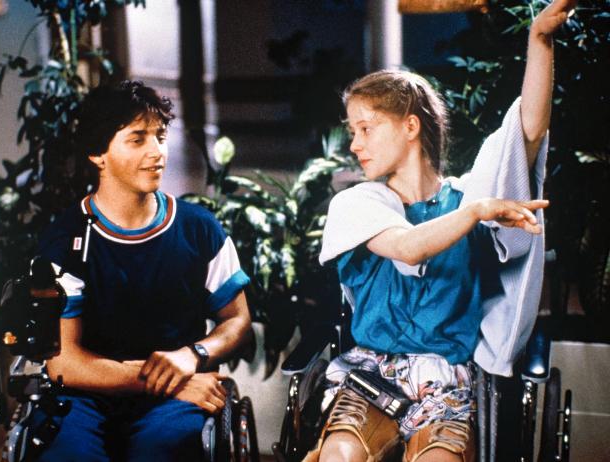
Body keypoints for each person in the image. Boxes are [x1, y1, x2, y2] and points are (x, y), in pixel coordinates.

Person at [305, 1, 576, 461]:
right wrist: (478, 213)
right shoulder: (357, 203)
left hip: (447, 381)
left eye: (366, 128)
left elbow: (525, 134)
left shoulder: (468, 197)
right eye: (353, 131)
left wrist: (540, 41)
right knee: (337, 456)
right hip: (371, 375)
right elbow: (408, 248)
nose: (354, 144)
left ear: (410, 126)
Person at [33, 80, 252, 461]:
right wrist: (165, 381)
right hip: (87, 396)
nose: (157, 152)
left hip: (174, 398)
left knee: (164, 448)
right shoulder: (65, 240)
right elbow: (64, 362)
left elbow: (237, 320)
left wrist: (193, 355)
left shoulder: (199, 229)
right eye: (137, 139)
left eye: (160, 137)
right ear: (98, 154)